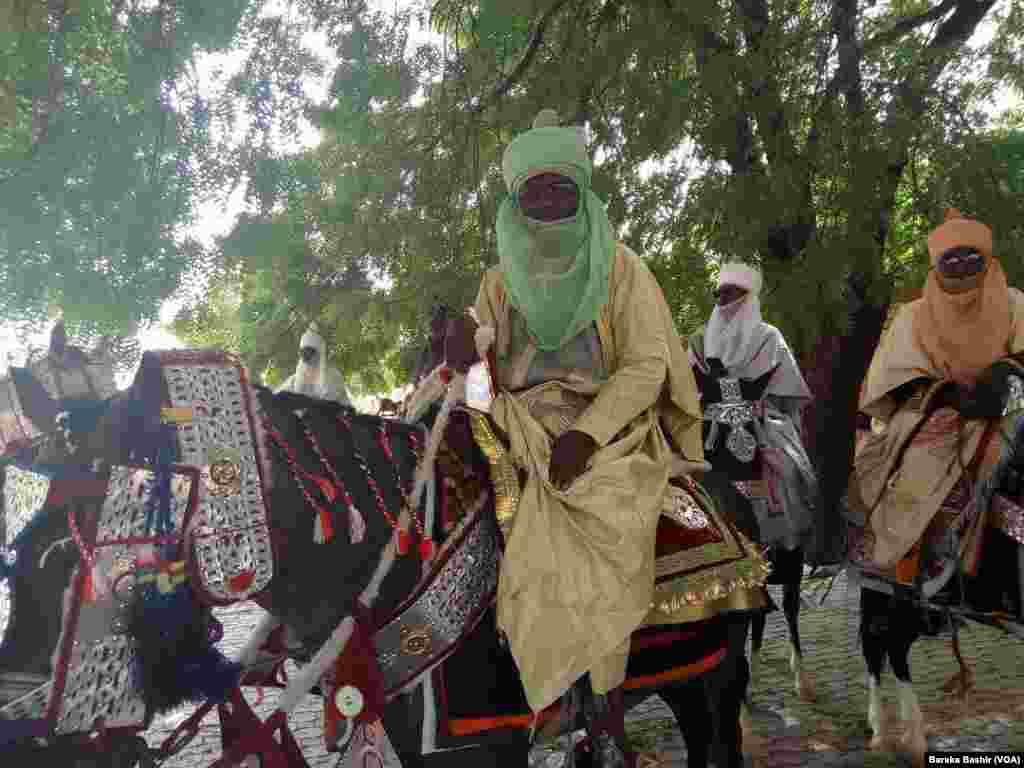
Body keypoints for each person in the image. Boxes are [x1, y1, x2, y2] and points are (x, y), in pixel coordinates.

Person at [444, 109, 706, 766]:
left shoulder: (623, 269)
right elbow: (483, 394)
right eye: (535, 189)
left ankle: (601, 703)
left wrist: (588, 433)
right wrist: (466, 365)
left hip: (608, 428)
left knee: (598, 512)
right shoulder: (498, 282)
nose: (550, 199)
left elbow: (649, 364)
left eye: (561, 186)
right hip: (518, 425)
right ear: (518, 200)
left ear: (582, 191)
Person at [849, 207, 1024, 590]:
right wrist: (947, 393)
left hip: (1006, 403)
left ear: (987, 259)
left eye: (970, 256)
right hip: (938, 408)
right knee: (922, 469)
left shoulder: (1014, 302)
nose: (961, 264)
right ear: (937, 264)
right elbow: (895, 377)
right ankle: (910, 563)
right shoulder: (913, 315)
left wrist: (1008, 369)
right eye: (951, 258)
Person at [688, 263, 819, 699]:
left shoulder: (769, 338)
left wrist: (757, 410)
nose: (724, 302)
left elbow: (785, 395)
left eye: (732, 294)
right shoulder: (698, 342)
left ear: (748, 297)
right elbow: (688, 393)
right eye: (719, 295)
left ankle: (790, 549)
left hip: (762, 427)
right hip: (710, 434)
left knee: (790, 474)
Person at [276, 322, 351, 406]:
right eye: (303, 352)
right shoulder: (294, 380)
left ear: (319, 353)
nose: (306, 357)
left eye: (309, 352)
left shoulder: (333, 376)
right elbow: (278, 398)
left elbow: (335, 403)